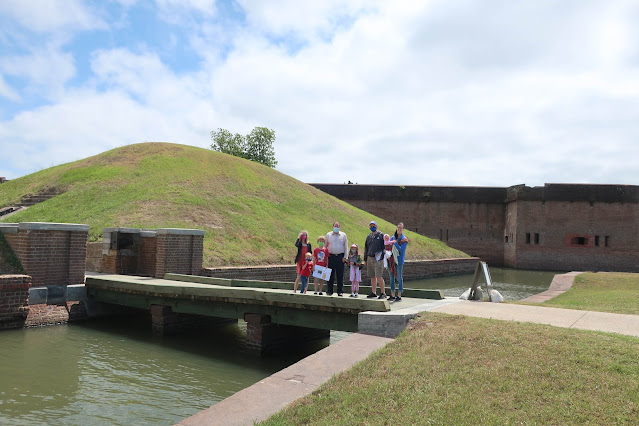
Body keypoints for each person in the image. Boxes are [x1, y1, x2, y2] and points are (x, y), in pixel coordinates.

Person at [325, 221, 348, 296]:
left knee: (340, 274)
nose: (336, 227)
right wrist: (325, 257)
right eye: (335, 226)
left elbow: (346, 246)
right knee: (330, 274)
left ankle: (340, 291)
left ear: (340, 227)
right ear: (332, 227)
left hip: (340, 257)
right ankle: (329, 290)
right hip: (331, 256)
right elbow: (325, 246)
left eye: (337, 226)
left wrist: (345, 257)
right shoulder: (328, 235)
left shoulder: (343, 235)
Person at [364, 220, 386, 299]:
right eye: (371, 226)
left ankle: (383, 293)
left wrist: (382, 257)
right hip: (370, 257)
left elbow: (384, 247)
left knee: (379, 275)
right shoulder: (369, 236)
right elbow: (366, 247)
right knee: (372, 276)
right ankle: (373, 292)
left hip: (378, 257)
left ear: (376, 226)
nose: (372, 227)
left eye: (374, 225)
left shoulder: (381, 235)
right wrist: (365, 259)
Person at [390, 223, 408, 301]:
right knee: (391, 277)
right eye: (398, 228)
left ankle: (399, 295)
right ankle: (392, 294)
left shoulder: (404, 240)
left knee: (399, 277)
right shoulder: (393, 237)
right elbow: (388, 246)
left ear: (403, 229)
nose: (399, 229)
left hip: (399, 261)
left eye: (401, 228)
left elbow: (401, 250)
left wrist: (396, 243)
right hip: (392, 260)